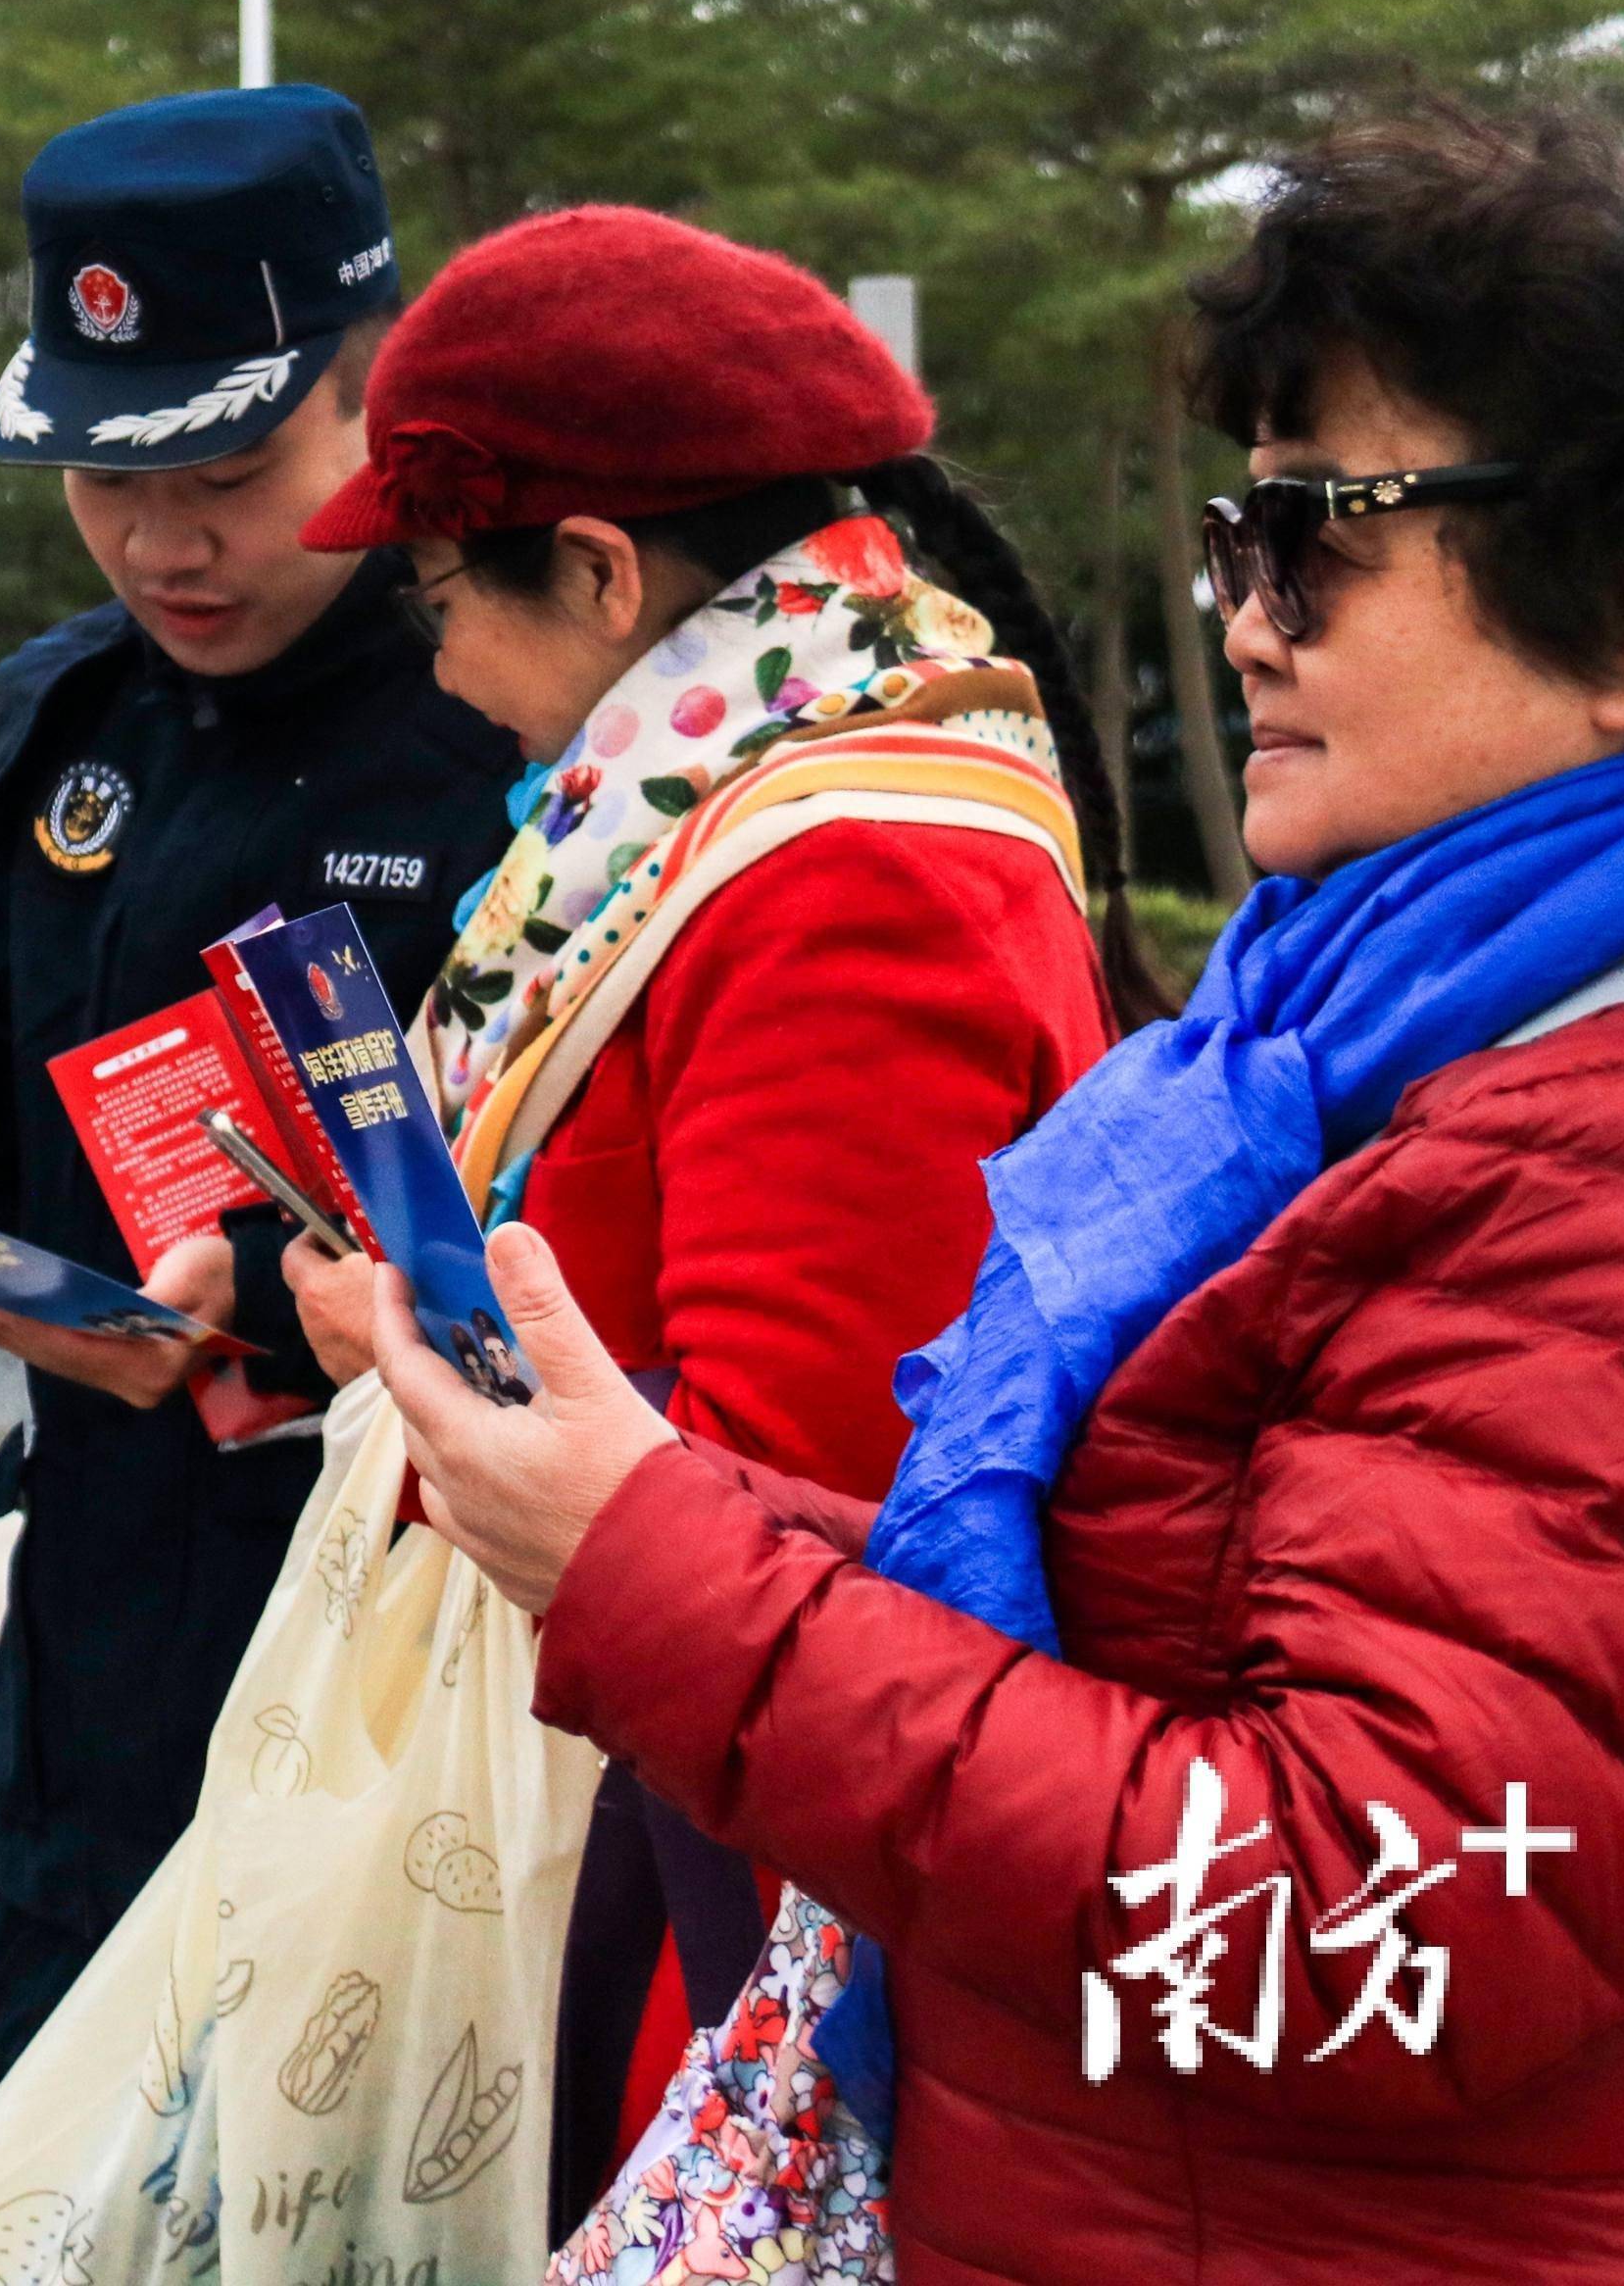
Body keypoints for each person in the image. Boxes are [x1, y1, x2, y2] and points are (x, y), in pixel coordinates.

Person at [380, 105, 1624, 2285]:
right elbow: (1161, 1617)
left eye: (1323, 535)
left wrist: (662, 1572)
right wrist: (657, 1510)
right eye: (1239, 532)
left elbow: (1345, 1920)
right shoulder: (1374, 1032)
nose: (1244, 619)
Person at [273, 205, 1128, 2221]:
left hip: (702, 1858)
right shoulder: (717, 802)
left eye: (433, 598)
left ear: (593, 567)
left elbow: (804, 1477)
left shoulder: (849, 870)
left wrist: (413, 1365)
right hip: (642, 1769)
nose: (445, 669)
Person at [0, 87, 519, 2101]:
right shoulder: (72, 714)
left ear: (378, 400)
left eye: (233, 473)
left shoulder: (495, 730)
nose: (165, 540)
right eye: (103, 474)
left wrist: (258, 1307)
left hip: (389, 1630)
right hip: (99, 1618)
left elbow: (566, 1217)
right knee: (55, 2145)